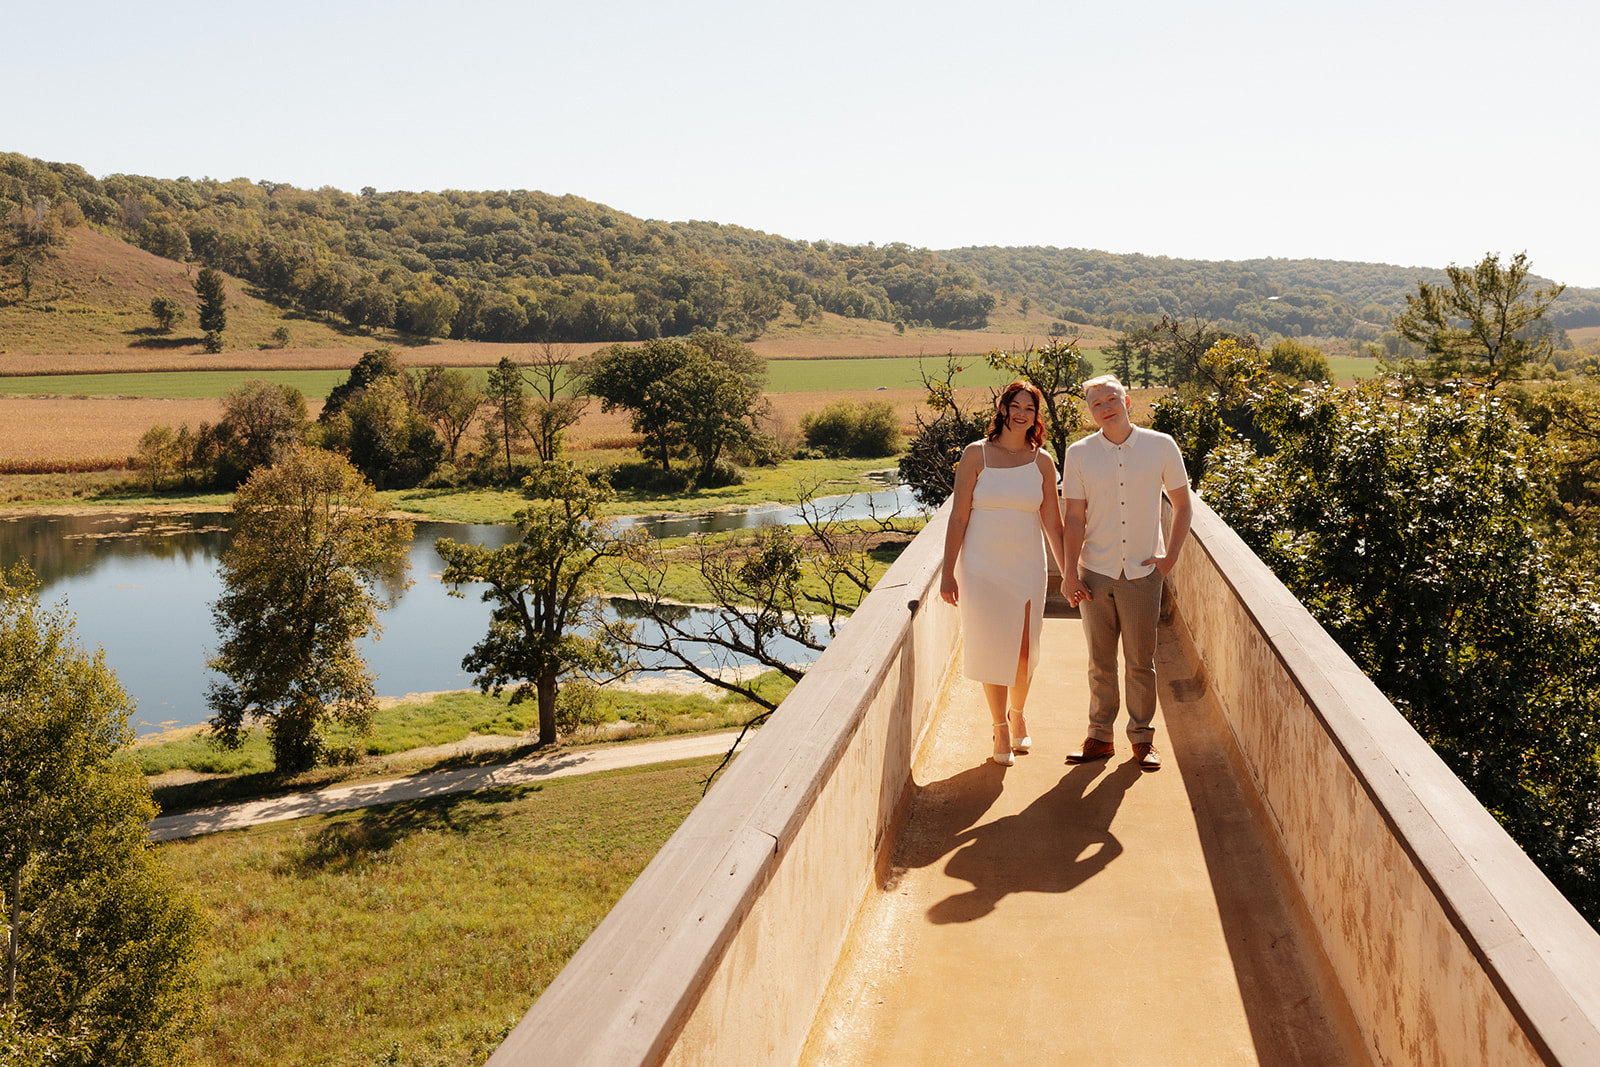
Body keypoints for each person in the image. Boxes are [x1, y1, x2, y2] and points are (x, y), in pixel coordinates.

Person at [1059, 374, 1192, 772]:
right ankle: (1100, 738)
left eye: (1111, 399)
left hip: (1142, 572)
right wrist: (1069, 574)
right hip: (1094, 573)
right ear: (1090, 411)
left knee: (1140, 661)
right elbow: (1074, 517)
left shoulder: (1161, 445)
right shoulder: (1079, 453)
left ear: (1127, 400)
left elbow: (1183, 505)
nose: (1105, 407)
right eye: (1096, 403)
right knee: (1100, 662)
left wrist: (1168, 559)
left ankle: (1142, 739)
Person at [940, 381, 1067, 766]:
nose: (1021, 413)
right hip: (981, 565)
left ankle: (1018, 712)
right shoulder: (975, 454)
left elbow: (1054, 525)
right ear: (1004, 408)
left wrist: (1071, 576)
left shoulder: (1042, 461)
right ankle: (999, 728)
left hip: (1027, 562)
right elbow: (959, 515)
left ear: (1035, 415)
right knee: (992, 646)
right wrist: (948, 573)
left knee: (1025, 650)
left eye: (1029, 407)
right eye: (1016, 405)